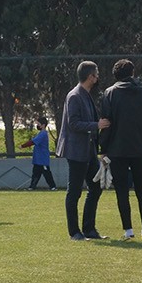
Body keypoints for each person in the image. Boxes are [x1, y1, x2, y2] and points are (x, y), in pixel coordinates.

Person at [99, 59, 142, 241]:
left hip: (117, 150)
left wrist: (103, 148)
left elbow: (106, 124)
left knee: (122, 191)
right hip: (140, 148)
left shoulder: (109, 93)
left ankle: (128, 231)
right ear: (133, 73)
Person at [58, 61, 109, 241]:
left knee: (96, 187)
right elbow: (73, 124)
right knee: (74, 192)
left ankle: (89, 229)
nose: (98, 78)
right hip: (76, 151)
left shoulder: (86, 95)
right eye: (96, 74)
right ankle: (74, 232)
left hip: (89, 151)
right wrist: (96, 125)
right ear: (90, 77)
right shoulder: (74, 96)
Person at [21, 116, 57, 190]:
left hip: (42, 158)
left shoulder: (43, 134)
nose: (37, 126)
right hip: (38, 158)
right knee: (36, 173)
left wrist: (23, 146)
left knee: (46, 173)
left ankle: (53, 187)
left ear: (43, 125)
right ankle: (32, 187)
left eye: (38, 124)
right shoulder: (41, 133)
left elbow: (33, 142)